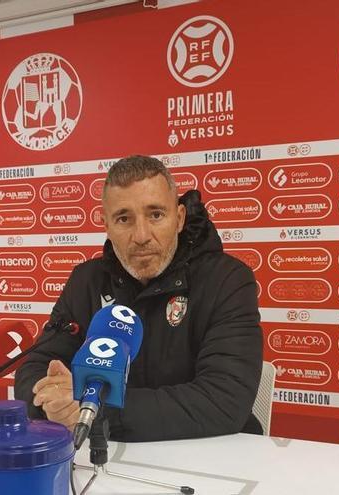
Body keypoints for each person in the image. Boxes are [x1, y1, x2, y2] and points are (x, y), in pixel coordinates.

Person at [15, 155, 263, 442]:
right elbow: (34, 371)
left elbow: (223, 400)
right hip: (105, 459)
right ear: (105, 224)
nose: (142, 236)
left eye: (156, 215)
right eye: (124, 219)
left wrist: (91, 411)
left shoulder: (227, 280)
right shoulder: (86, 281)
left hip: (208, 458)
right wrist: (55, 402)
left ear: (179, 218)